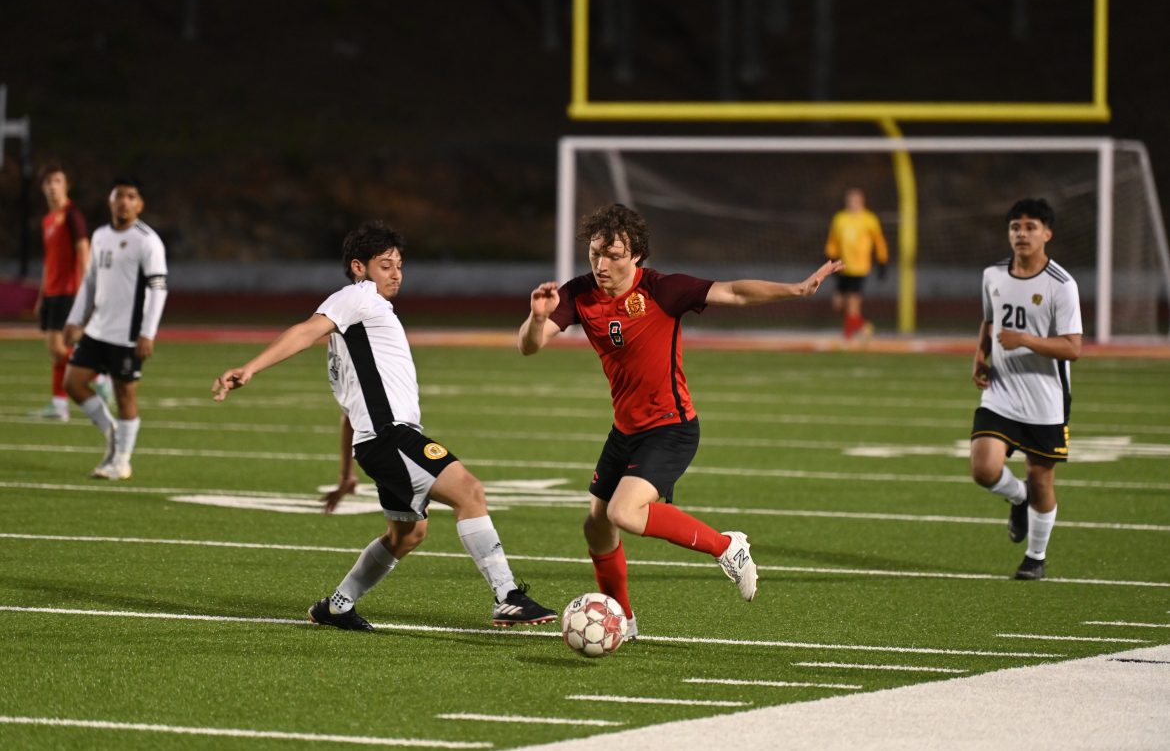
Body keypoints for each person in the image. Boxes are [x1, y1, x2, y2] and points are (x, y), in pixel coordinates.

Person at [212, 221, 556, 632]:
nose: (396, 274)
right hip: (392, 437)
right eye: (385, 265)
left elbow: (349, 412)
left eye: (399, 265)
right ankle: (507, 597)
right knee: (470, 492)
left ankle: (337, 606)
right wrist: (249, 368)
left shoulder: (355, 335)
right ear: (359, 267)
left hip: (377, 442)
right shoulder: (356, 297)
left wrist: (345, 475)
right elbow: (305, 330)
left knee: (407, 536)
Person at [519, 203, 842, 638]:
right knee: (597, 527)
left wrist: (797, 290)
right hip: (625, 431)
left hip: (671, 427)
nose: (601, 264)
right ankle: (624, 620)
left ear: (636, 257)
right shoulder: (578, 295)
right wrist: (537, 318)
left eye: (614, 255)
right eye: (595, 253)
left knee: (625, 512)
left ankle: (728, 547)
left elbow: (734, 292)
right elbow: (529, 347)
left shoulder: (661, 290)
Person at [969, 198, 1082, 580]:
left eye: (1031, 227)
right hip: (1001, 390)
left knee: (1041, 480)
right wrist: (980, 357)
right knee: (983, 469)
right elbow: (989, 320)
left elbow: (1073, 347)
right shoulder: (993, 275)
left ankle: (1035, 557)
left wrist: (1028, 341)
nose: (1022, 234)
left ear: (1047, 234)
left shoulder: (1062, 286)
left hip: (1045, 399)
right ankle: (1016, 498)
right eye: (1015, 227)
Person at [63, 176, 167, 480]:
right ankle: (112, 432)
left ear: (140, 204)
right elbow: (90, 281)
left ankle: (122, 461)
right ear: (110, 201)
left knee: (125, 395)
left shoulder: (147, 240)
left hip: (128, 334)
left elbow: (159, 289)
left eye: (131, 196)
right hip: (97, 330)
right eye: (119, 195)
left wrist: (148, 332)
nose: (124, 201)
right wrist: (75, 319)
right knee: (73, 382)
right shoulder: (99, 236)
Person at [28, 163, 111, 420]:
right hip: (52, 292)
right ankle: (60, 404)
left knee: (58, 345)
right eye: (48, 182)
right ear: (42, 187)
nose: (53, 186)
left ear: (66, 185)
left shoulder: (72, 214)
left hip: (68, 289)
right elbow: (49, 260)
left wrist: (87, 287)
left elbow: (83, 248)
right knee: (56, 349)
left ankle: (99, 377)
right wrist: (41, 295)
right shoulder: (48, 220)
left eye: (57, 181)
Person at [824, 188, 889, 340]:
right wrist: (829, 257)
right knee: (838, 304)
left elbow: (879, 242)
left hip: (860, 268)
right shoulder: (840, 218)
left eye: (856, 201)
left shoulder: (869, 219)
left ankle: (849, 336)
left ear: (862, 202)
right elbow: (833, 241)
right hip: (842, 266)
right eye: (850, 200)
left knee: (853, 305)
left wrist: (882, 261)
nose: (853, 204)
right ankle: (862, 326)